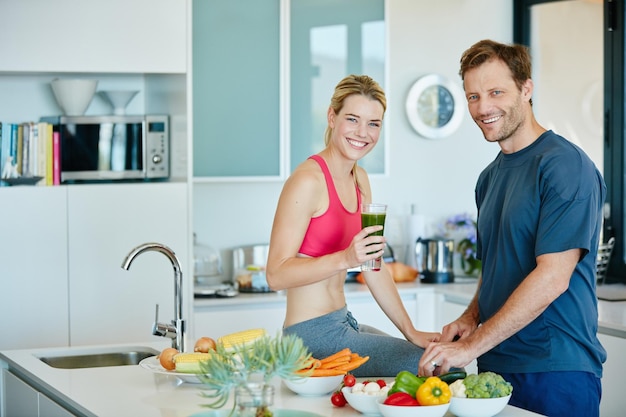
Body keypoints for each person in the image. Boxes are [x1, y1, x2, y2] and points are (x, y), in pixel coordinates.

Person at [417, 39, 606, 416]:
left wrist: (470, 348)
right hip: (495, 367)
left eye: (496, 92)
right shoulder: (488, 178)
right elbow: (497, 267)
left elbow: (553, 277)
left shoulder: (565, 166)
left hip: (555, 369)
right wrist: (471, 318)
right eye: (473, 96)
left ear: (527, 89)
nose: (483, 107)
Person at [266, 74, 440, 377]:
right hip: (310, 338)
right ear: (332, 117)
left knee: (435, 357)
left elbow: (373, 265)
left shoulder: (360, 180)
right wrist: (345, 259)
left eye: (374, 123)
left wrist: (411, 331)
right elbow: (276, 275)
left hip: (344, 323)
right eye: (353, 119)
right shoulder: (308, 181)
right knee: (430, 367)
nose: (363, 132)